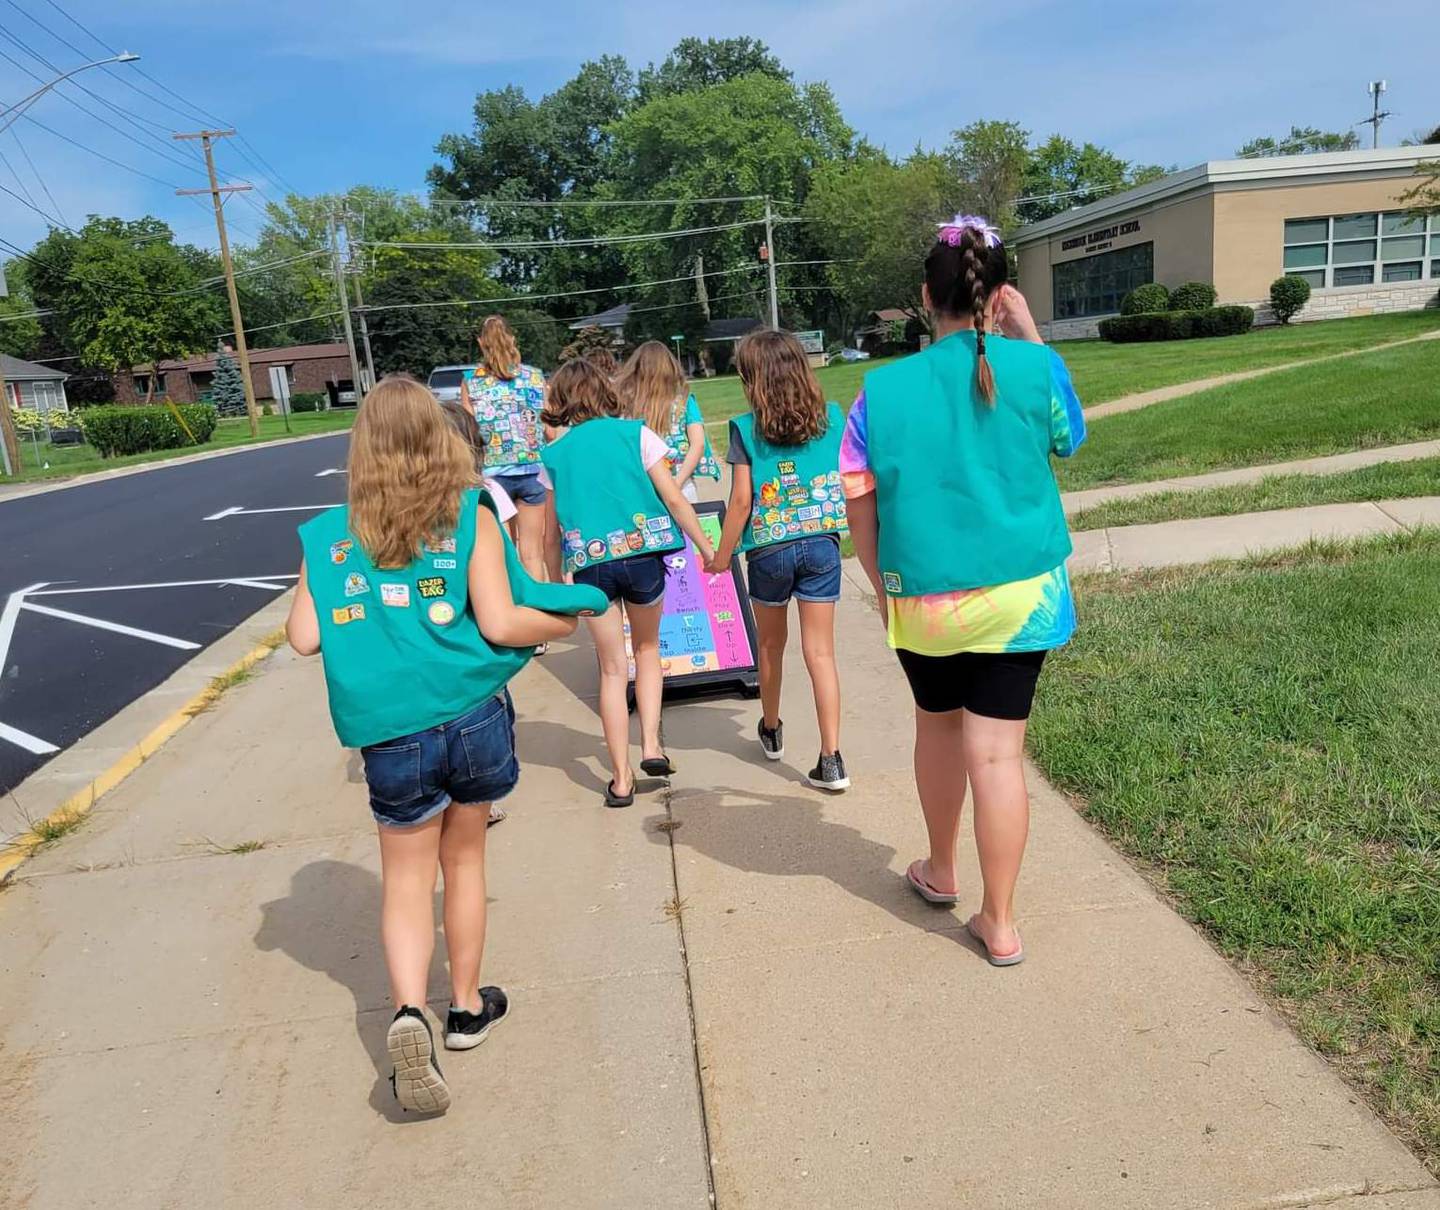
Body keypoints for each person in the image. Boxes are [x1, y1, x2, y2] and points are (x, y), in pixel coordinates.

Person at [285, 375, 606, 1115]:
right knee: (464, 862)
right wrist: (564, 624)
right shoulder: (470, 516)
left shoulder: (327, 534)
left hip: (389, 736)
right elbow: (499, 623)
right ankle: (464, 1007)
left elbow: (304, 637)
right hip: (471, 717)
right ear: (437, 437)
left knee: (405, 880)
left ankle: (406, 1013)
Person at [844, 215, 1086, 968]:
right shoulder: (1030, 368)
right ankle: (1001, 921)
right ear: (998, 293)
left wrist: (885, 589)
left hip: (925, 603)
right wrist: (1029, 332)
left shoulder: (877, 393)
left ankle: (942, 870)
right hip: (1025, 598)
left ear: (925, 297)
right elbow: (1068, 436)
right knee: (999, 757)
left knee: (938, 730)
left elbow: (859, 499)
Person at [540, 358, 715, 807]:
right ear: (604, 390)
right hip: (642, 558)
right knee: (648, 650)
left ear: (562, 399)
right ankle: (651, 746)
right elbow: (673, 498)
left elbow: (548, 532)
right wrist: (707, 549)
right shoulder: (637, 433)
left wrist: (557, 585)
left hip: (591, 566)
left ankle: (619, 778)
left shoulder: (554, 455)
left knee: (611, 669)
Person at [705, 329, 849, 791]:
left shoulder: (745, 428)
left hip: (768, 550)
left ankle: (771, 728)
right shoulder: (831, 417)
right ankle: (832, 758)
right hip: (823, 544)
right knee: (821, 652)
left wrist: (722, 555)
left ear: (754, 380)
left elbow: (742, 501)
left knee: (771, 646)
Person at [467, 314, 549, 582]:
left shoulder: (471, 381)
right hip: (534, 471)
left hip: (492, 476)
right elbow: (548, 426)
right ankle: (538, 608)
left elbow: (468, 433)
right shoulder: (535, 377)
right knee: (532, 553)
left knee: (503, 552)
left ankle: (511, 609)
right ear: (512, 339)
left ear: (481, 343)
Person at [614, 340, 721, 503]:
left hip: (641, 490)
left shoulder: (626, 406)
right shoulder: (684, 402)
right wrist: (676, 484)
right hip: (682, 486)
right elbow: (698, 444)